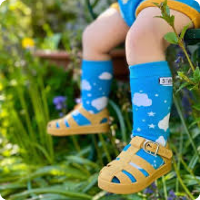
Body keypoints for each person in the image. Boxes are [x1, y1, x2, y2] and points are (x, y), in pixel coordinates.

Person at [47, 0, 200, 194]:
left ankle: (152, 143)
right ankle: (92, 108)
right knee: (93, 37)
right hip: (132, 4)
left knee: (143, 37)